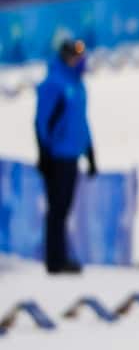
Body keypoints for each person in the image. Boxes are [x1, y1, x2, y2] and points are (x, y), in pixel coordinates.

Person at [34, 39, 97, 275]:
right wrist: (44, 153)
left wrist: (90, 152)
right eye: (76, 56)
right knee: (57, 210)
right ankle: (54, 260)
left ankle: (62, 256)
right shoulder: (55, 84)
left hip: (72, 155)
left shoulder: (77, 85)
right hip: (57, 156)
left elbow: (81, 121)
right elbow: (42, 122)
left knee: (65, 209)